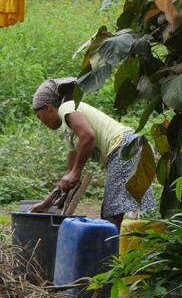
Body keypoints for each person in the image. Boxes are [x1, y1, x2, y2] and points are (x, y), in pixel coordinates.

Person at [28, 78, 156, 231]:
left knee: (111, 218)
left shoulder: (67, 107)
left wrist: (75, 173)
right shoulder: (69, 132)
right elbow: (69, 174)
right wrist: (46, 204)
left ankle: (108, 254)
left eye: (39, 116)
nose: (41, 121)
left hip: (126, 148)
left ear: (48, 107)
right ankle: (132, 251)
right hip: (136, 149)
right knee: (120, 214)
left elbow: (88, 136)